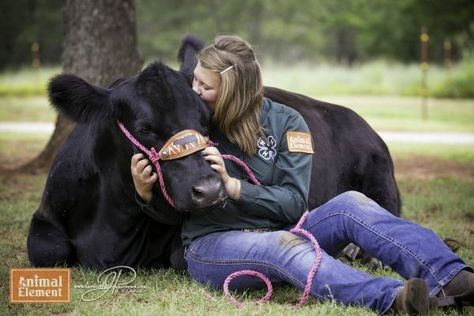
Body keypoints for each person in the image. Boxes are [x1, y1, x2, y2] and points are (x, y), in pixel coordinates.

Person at [131, 35, 474, 314]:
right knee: (286, 247)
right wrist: (145, 194)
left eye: (205, 87)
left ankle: (453, 276)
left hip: (287, 226)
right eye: (194, 82)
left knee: (351, 204)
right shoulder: (194, 121)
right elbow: (176, 206)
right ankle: (394, 299)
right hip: (212, 245)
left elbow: (295, 204)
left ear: (235, 90)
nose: (194, 93)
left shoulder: (289, 123)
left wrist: (237, 188)